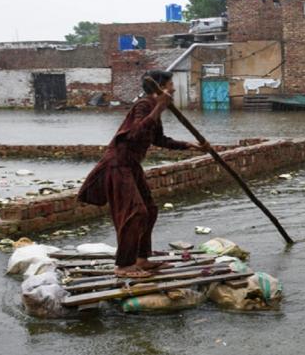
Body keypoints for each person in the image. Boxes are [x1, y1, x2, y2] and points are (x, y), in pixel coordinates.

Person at [77, 70, 209, 278]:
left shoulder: (152, 107)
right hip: (118, 165)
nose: (173, 88)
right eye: (170, 84)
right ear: (161, 87)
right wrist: (159, 107)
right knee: (135, 212)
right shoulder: (144, 105)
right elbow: (135, 133)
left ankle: (141, 258)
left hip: (132, 166)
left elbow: (158, 139)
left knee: (150, 209)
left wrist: (189, 146)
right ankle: (124, 265)